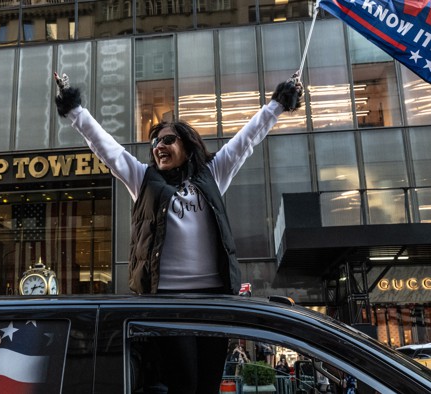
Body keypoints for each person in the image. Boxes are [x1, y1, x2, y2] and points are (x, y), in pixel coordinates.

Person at [54, 72, 302, 393]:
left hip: (215, 301)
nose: (159, 146)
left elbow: (247, 139)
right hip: (167, 302)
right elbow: (106, 148)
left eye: (167, 140)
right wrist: (75, 110)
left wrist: (278, 104)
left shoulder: (213, 173)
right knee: (183, 383)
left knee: (208, 383)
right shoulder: (143, 179)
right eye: (155, 142)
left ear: (187, 145)